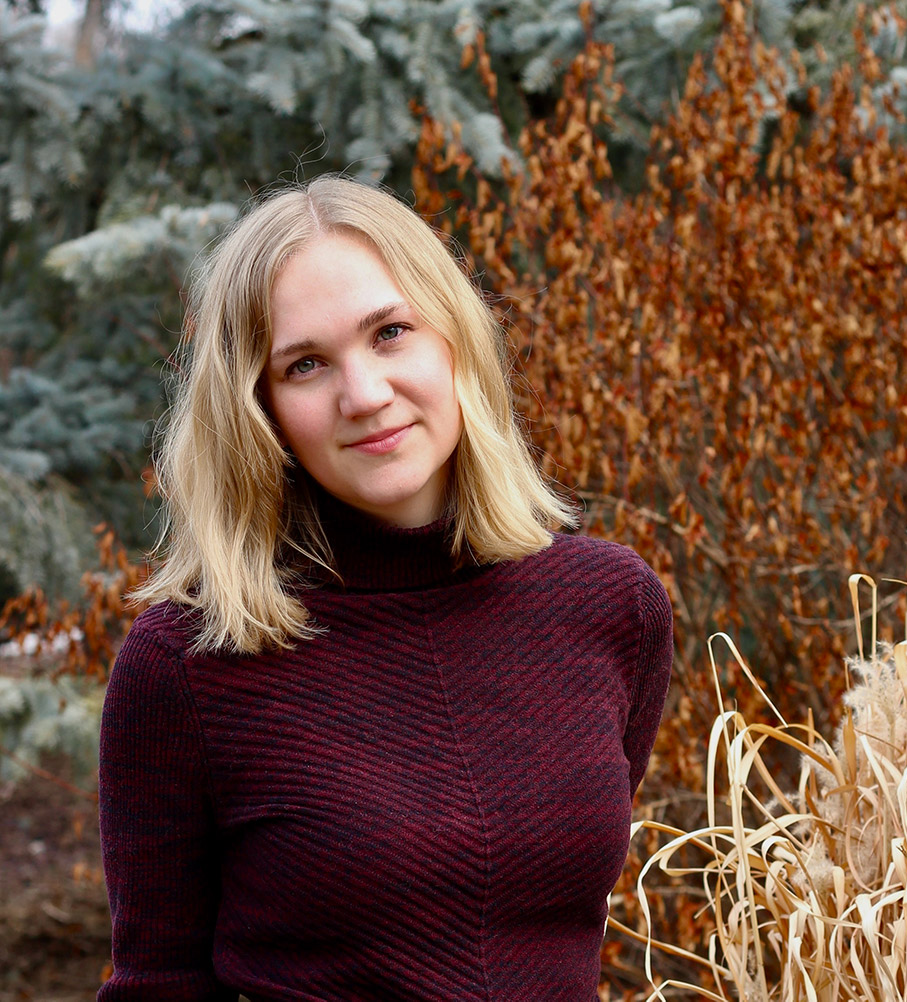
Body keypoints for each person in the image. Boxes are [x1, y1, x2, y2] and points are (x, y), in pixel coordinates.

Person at [97, 175, 673, 1002]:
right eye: (305, 364)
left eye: (391, 332)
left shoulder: (610, 605)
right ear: (258, 408)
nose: (364, 395)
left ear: (455, 338)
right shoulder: (189, 665)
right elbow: (159, 986)